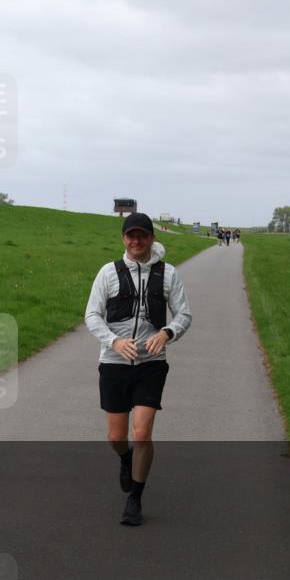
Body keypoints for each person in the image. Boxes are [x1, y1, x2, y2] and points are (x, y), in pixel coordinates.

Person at [84, 213, 192, 525]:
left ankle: (135, 498)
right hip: (114, 363)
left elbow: (184, 315)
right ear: (123, 239)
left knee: (142, 433)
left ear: (152, 238)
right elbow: (92, 315)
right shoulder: (108, 273)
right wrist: (113, 342)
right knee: (116, 436)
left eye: (142, 236)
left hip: (151, 365)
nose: (136, 241)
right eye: (130, 236)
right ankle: (125, 458)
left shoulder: (168, 274)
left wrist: (167, 333)